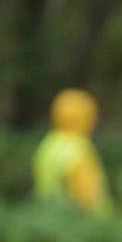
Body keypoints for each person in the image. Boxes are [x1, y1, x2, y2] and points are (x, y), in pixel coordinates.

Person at [32, 89, 113, 218]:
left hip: (47, 218)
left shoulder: (48, 144)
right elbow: (87, 195)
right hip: (77, 222)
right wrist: (102, 220)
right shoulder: (79, 148)